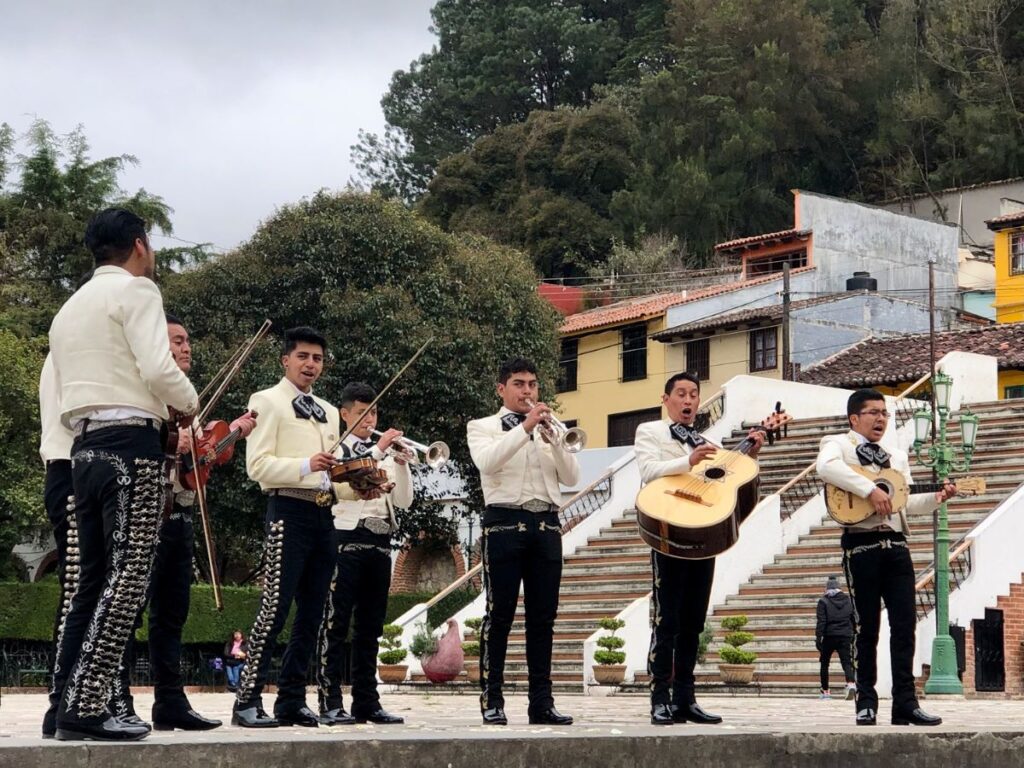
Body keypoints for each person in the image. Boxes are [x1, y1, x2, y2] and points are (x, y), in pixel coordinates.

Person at [46, 208, 198, 741]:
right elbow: (160, 369)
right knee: (130, 578)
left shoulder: (68, 308)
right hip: (131, 441)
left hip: (82, 448)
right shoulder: (138, 292)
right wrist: (189, 402)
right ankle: (85, 706)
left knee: (90, 582)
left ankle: (62, 703)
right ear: (139, 245)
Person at [232, 326, 375, 728]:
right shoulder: (266, 400)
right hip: (285, 512)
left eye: (317, 359)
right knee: (274, 609)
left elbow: (328, 478)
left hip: (323, 515)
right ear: (285, 360)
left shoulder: (330, 411)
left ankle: (292, 699)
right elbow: (257, 467)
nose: (311, 365)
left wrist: (357, 490)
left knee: (313, 613)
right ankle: (246, 700)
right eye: (303, 357)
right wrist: (305, 465)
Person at [134, 313, 256, 730]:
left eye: (188, 341)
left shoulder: (189, 405)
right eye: (177, 341)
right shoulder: (144, 394)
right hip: (147, 514)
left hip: (181, 515)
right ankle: (113, 696)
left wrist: (227, 438)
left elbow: (194, 466)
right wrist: (170, 438)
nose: (186, 348)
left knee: (173, 614)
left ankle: (170, 702)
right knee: (129, 610)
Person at [816, 388, 956, 726]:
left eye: (884, 413)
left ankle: (905, 702)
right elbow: (825, 468)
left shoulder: (896, 456)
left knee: (905, 625)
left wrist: (938, 498)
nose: (881, 418)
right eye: (873, 412)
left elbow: (904, 501)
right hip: (860, 546)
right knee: (866, 627)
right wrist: (868, 489)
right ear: (855, 418)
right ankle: (866, 700)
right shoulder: (838, 446)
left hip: (896, 547)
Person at [634, 372, 765, 726]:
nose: (689, 400)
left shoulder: (707, 442)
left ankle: (685, 698)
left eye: (694, 394)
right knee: (667, 621)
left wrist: (748, 454)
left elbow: (726, 483)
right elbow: (648, 472)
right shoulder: (650, 431)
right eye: (681, 394)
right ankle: (659, 697)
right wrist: (688, 461)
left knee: (693, 622)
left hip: (702, 536)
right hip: (668, 531)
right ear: (667, 400)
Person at [467, 358, 580, 727]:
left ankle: (541, 703)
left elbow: (572, 475)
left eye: (532, 384)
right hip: (503, 522)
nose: (527, 391)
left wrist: (556, 442)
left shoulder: (550, 429)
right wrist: (525, 429)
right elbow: (487, 462)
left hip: (546, 523)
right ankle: (492, 699)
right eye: (519, 384)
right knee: (499, 615)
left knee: (543, 619)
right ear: (502, 389)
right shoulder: (482, 427)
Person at [316, 382, 413, 726]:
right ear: (345, 415)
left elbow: (403, 501)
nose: (369, 419)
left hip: (381, 542)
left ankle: (366, 701)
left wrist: (401, 463)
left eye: (373, 412)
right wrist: (382, 451)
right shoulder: (337, 449)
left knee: (371, 627)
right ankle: (329, 701)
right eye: (362, 413)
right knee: (336, 623)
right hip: (346, 540)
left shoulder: (382, 452)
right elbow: (344, 485)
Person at [815, 575, 856, 700]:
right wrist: (853, 633)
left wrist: (818, 638)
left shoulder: (823, 601)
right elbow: (853, 618)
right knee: (846, 661)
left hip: (829, 636)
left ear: (826, 589)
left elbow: (821, 621)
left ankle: (825, 691)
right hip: (845, 635)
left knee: (824, 663)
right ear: (839, 588)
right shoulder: (848, 600)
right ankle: (850, 683)